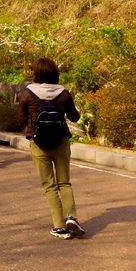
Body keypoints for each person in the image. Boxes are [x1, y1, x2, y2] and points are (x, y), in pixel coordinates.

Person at [17, 57, 86, 240]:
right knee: (64, 182)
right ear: (55, 72)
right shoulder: (64, 93)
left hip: (38, 143)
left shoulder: (27, 93)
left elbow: (21, 120)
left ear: (36, 73)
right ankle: (71, 217)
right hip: (61, 141)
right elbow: (75, 117)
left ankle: (60, 227)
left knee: (50, 185)